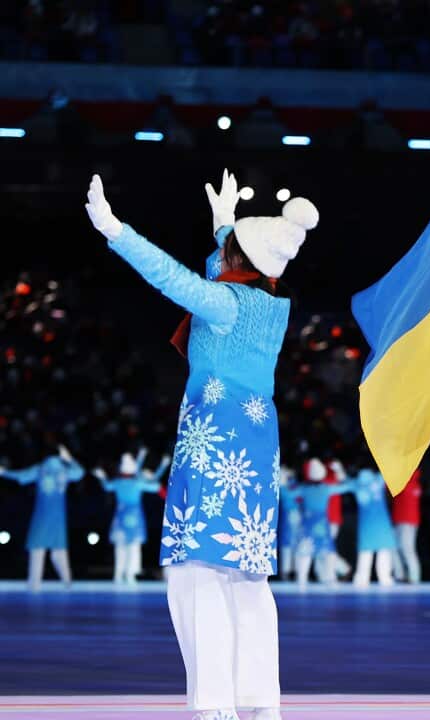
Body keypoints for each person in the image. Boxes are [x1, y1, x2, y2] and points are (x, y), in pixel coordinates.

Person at [85, 169, 317, 720]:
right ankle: (259, 703)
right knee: (247, 575)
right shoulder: (270, 304)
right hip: (257, 443)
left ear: (239, 258)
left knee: (198, 571)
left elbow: (173, 278)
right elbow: (228, 267)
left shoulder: (226, 303)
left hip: (216, 438)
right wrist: (223, 225)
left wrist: (115, 230)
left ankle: (214, 705)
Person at [0, 444, 84, 589]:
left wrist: (4, 472)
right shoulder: (64, 471)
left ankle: (34, 584)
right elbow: (80, 473)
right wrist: (69, 459)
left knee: (37, 550)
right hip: (58, 518)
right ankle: (67, 582)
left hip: (42, 516)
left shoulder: (40, 469)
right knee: (59, 551)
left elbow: (21, 476)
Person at [94, 450, 169, 585]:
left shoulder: (118, 482)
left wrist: (102, 477)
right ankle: (129, 575)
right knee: (133, 548)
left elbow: (106, 486)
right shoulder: (137, 483)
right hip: (135, 519)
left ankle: (118, 575)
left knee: (120, 548)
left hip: (121, 518)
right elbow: (155, 486)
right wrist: (154, 474)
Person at [296, 458, 346, 590]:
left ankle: (302, 579)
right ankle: (329, 578)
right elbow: (346, 486)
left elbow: (289, 494)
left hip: (308, 524)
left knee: (305, 552)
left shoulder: (303, 489)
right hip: (322, 525)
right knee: (328, 551)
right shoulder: (326, 488)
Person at [343, 467, 397, 587]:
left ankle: (362, 579)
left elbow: (343, 485)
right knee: (382, 552)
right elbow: (389, 471)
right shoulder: (377, 480)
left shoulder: (357, 485)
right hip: (381, 525)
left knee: (366, 553)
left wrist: (340, 472)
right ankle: (385, 578)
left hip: (368, 526)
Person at [391, 468, 423, 583]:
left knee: (407, 549)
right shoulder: (414, 485)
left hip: (407, 522)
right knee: (393, 547)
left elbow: (389, 486)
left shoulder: (406, 485)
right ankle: (400, 574)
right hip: (402, 521)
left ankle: (414, 576)